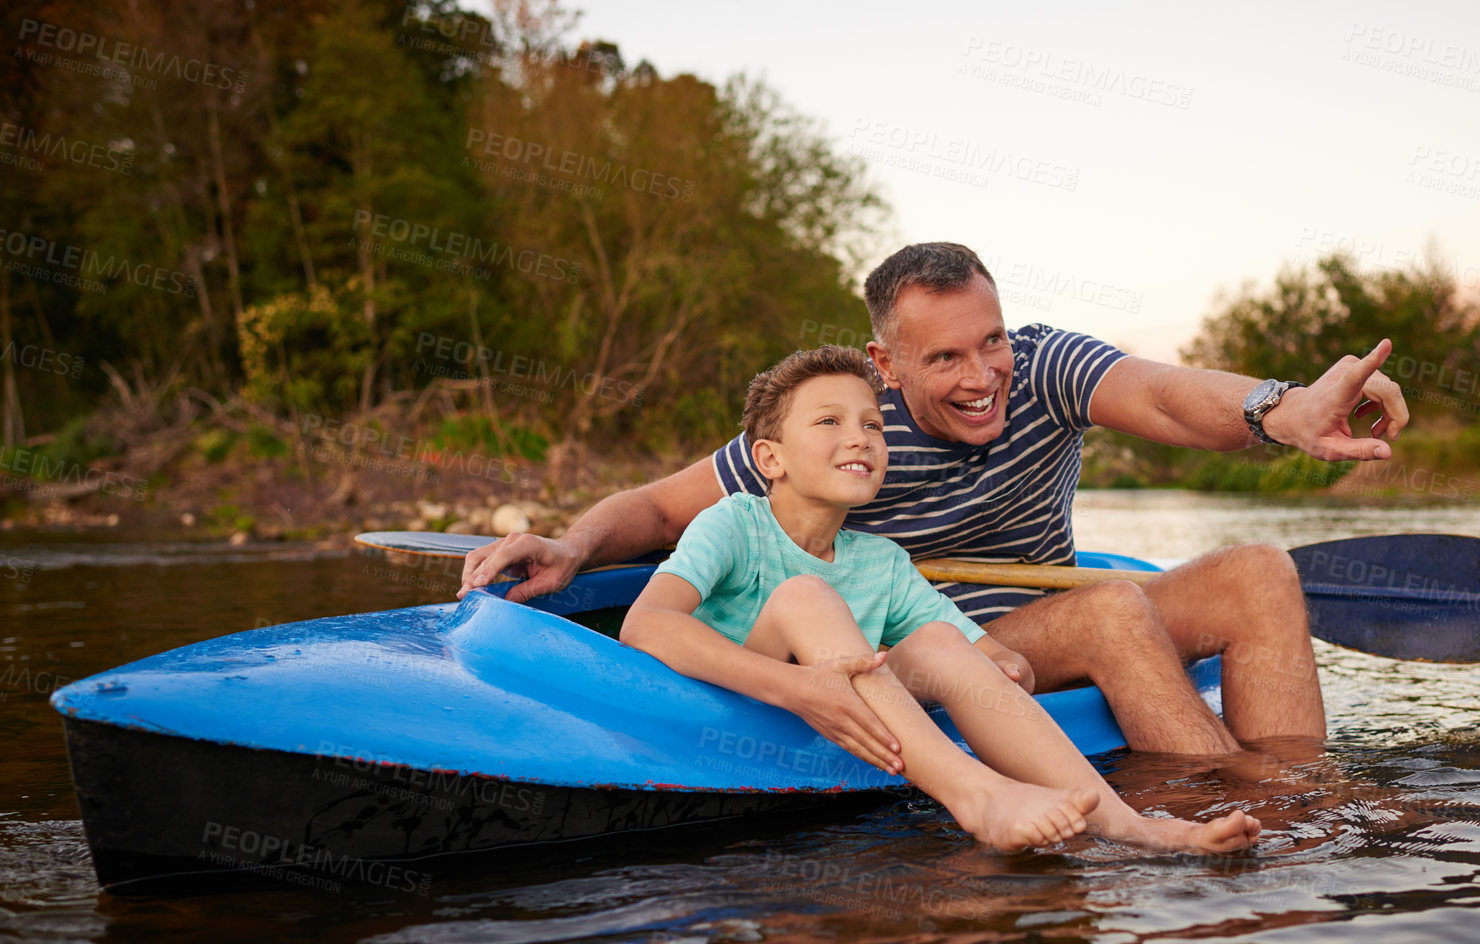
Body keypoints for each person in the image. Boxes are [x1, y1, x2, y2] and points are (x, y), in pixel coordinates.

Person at [460, 242, 1410, 762]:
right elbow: (665, 510)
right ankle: (1214, 803)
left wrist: (1275, 409)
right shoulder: (843, 434)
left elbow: (1164, 392)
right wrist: (575, 545)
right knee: (1117, 610)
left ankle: (1295, 800)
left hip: (1044, 619)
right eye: (945, 357)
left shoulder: (1042, 363)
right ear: (886, 364)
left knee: (1258, 572)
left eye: (987, 341)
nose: (982, 375)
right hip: (944, 645)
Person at [617, 345, 1261, 854]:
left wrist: (1005, 669)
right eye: (828, 422)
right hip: (744, 706)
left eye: (872, 423)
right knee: (804, 594)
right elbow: (644, 625)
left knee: (940, 642)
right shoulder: (733, 523)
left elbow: (983, 651)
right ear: (770, 458)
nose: (860, 437)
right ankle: (979, 797)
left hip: (849, 710)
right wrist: (795, 688)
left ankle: (1127, 826)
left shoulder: (881, 562)